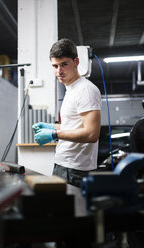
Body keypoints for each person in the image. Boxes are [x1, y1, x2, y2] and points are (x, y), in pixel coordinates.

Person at [32, 38, 101, 187]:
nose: (59, 71)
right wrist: (52, 127)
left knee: (70, 210)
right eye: (55, 66)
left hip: (75, 171)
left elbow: (91, 134)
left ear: (76, 62)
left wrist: (54, 135)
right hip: (64, 165)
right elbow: (74, 125)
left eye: (64, 64)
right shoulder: (71, 89)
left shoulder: (86, 90)